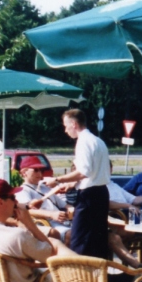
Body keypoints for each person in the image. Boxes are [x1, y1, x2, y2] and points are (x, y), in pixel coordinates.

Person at [43, 109, 110, 259]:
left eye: (66, 126)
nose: (65, 130)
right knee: (97, 241)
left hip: (89, 197)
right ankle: (99, 273)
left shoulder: (83, 142)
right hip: (101, 193)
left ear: (73, 124)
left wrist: (57, 180)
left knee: (79, 240)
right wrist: (72, 183)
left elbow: (83, 172)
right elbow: (92, 172)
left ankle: (79, 273)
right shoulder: (98, 141)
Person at [14, 158, 69, 240]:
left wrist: (71, 209)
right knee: (72, 235)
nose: (39, 173)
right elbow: (27, 210)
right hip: (46, 223)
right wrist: (51, 214)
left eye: (41, 170)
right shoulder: (23, 190)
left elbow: (64, 204)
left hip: (62, 220)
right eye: (36, 170)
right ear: (24, 172)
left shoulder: (44, 187)